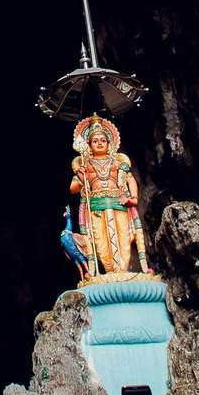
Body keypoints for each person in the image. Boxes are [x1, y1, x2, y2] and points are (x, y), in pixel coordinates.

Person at [69, 113, 150, 280]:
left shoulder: (117, 162)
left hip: (118, 203)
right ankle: (109, 272)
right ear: (89, 145)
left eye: (103, 140)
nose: (99, 143)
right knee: (100, 241)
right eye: (95, 141)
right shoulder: (85, 164)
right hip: (96, 207)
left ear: (109, 143)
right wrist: (81, 177)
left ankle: (123, 270)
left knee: (124, 239)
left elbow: (130, 179)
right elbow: (73, 188)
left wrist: (132, 198)